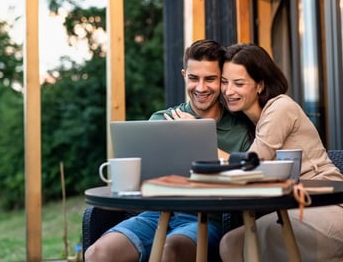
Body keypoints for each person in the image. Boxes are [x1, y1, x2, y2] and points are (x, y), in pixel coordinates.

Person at [84, 39, 252, 262]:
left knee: (169, 251)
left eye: (210, 79)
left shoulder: (240, 130)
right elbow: (140, 182)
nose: (201, 88)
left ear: (221, 80)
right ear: (184, 75)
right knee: (97, 253)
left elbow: (248, 179)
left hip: (208, 221)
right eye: (193, 78)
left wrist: (196, 133)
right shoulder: (161, 120)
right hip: (155, 215)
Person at [218, 43, 343, 262]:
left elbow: (249, 165)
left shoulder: (281, 107)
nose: (228, 91)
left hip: (329, 207)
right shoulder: (252, 123)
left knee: (239, 242)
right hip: (294, 206)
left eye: (238, 83)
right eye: (224, 82)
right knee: (232, 242)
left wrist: (198, 144)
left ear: (260, 85)